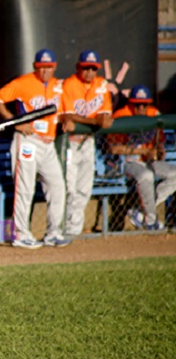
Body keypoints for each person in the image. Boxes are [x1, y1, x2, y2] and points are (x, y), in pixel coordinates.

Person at [0, 49, 69, 249]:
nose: (45, 71)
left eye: (49, 67)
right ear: (35, 67)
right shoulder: (23, 82)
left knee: (57, 186)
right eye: (42, 67)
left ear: (54, 67)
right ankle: (20, 234)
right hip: (28, 140)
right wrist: (13, 120)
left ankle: (53, 233)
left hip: (48, 143)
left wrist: (66, 120)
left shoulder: (59, 87)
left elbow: (64, 111)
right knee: (25, 188)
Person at [60, 50, 113, 237]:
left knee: (84, 189)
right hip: (70, 144)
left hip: (88, 142)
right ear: (78, 67)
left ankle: (74, 231)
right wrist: (93, 121)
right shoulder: (69, 84)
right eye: (86, 68)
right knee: (69, 188)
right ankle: (64, 229)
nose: (89, 72)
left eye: (93, 68)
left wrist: (104, 118)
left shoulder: (101, 84)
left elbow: (106, 114)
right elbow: (66, 114)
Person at [110, 85, 176, 230]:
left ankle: (140, 211)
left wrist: (160, 150)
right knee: (146, 176)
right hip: (127, 161)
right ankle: (151, 220)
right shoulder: (121, 115)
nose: (140, 108)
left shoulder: (154, 113)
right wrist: (143, 151)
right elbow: (114, 148)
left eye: (144, 104)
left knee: (174, 174)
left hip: (149, 160)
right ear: (130, 103)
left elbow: (160, 141)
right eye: (137, 104)